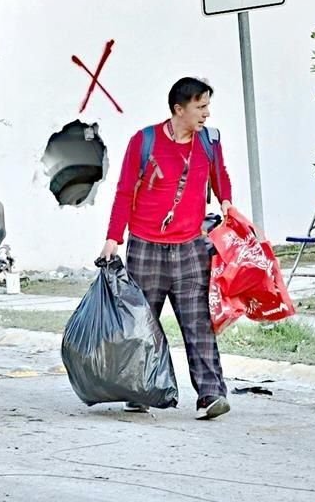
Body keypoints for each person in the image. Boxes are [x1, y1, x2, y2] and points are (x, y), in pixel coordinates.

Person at [100, 76, 233, 420]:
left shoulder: (209, 142)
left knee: (197, 322)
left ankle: (210, 394)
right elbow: (125, 191)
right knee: (142, 323)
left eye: (207, 106)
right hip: (146, 247)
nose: (206, 113)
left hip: (190, 247)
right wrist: (113, 237)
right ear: (179, 109)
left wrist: (228, 204)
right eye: (200, 106)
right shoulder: (144, 142)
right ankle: (138, 389)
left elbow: (220, 176)